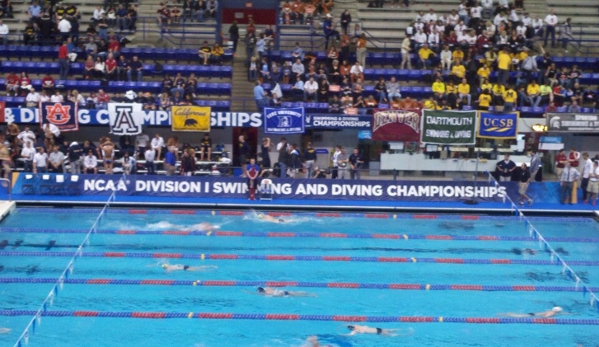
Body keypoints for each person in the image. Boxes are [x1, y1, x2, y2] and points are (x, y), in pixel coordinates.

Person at [499, 306, 566, 318]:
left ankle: (503, 314)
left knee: (517, 315)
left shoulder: (550, 311)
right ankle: (503, 314)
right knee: (516, 316)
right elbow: (545, 317)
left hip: (533, 314)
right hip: (532, 315)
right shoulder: (552, 313)